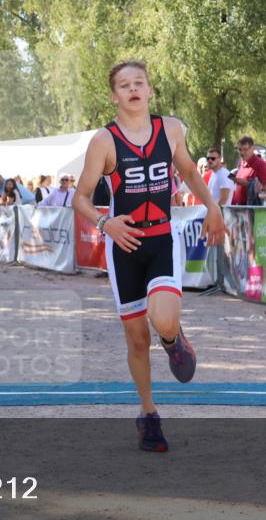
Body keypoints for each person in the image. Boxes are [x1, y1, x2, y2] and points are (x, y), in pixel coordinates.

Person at [72, 59, 225, 453]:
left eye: (139, 82)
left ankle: (173, 341)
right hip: (123, 246)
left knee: (163, 318)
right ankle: (148, 414)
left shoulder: (170, 129)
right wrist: (105, 223)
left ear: (151, 90)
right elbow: (80, 198)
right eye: (124, 85)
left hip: (161, 239)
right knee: (138, 339)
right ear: (114, 96)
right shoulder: (104, 141)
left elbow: (189, 172)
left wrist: (213, 207)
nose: (133, 89)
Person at [231, 135, 266, 205]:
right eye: (240, 149)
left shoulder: (260, 164)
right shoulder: (242, 162)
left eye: (245, 149)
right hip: (238, 208)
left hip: (252, 208)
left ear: (252, 148)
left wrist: (247, 183)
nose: (242, 152)